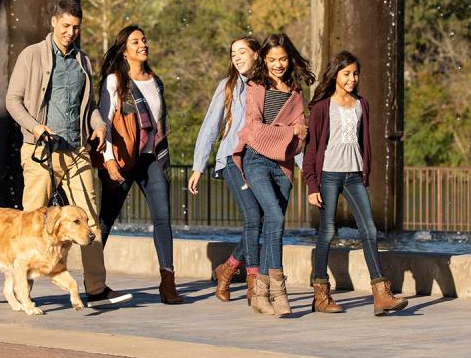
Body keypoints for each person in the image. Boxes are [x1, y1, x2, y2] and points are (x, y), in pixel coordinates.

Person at [5, 0, 132, 308]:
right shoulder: (31, 55)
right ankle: (22, 288)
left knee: (88, 218)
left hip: (76, 151)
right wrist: (35, 127)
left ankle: (97, 289)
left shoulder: (82, 62)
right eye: (66, 26)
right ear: (53, 22)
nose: (71, 32)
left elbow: (88, 109)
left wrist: (99, 125)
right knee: (31, 223)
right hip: (40, 151)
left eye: (76, 27)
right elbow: (12, 101)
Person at [303, 51, 408, 316]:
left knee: (370, 230)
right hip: (328, 175)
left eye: (355, 74)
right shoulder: (322, 107)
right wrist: (312, 185)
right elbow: (312, 149)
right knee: (327, 233)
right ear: (336, 74)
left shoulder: (363, 104)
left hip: (353, 176)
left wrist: (365, 174)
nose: (352, 79)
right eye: (347, 73)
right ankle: (320, 292)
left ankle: (380, 293)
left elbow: (364, 143)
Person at [95, 25, 182, 304]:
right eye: (136, 41)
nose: (143, 44)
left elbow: (158, 125)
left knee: (163, 218)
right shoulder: (114, 81)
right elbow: (105, 123)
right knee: (106, 220)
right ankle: (93, 281)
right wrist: (108, 161)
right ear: (124, 49)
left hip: (151, 158)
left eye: (144, 40)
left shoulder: (155, 81)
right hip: (121, 159)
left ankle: (168, 283)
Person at [233, 33, 314, 316]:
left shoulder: (295, 91)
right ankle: (280, 291)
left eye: (282, 59)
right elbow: (253, 129)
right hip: (256, 161)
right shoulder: (255, 86)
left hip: (283, 166)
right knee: (276, 218)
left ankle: (261, 293)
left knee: (272, 228)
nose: (277, 65)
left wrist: (289, 133)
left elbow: (301, 132)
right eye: (271, 60)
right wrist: (288, 131)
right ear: (263, 60)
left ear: (290, 59)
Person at [188, 36, 263, 304]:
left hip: (261, 162)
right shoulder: (228, 86)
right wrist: (198, 167)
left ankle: (228, 268)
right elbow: (210, 125)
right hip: (233, 159)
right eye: (233, 54)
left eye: (243, 52)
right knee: (253, 216)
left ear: (257, 54)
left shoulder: (268, 86)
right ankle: (254, 284)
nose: (238, 57)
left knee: (263, 220)